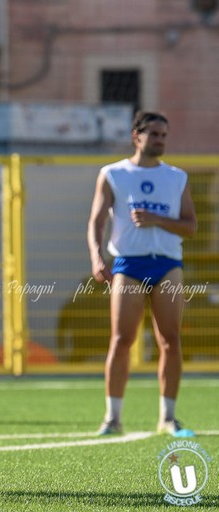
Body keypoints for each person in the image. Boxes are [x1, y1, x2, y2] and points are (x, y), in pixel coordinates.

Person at [87, 111, 197, 438]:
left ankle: (168, 417)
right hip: (129, 265)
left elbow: (190, 226)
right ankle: (112, 418)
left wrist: (156, 219)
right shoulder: (112, 174)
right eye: (154, 134)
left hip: (166, 265)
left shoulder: (177, 177)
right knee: (122, 340)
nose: (161, 140)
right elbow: (96, 222)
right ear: (136, 136)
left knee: (170, 340)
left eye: (165, 134)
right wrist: (96, 256)